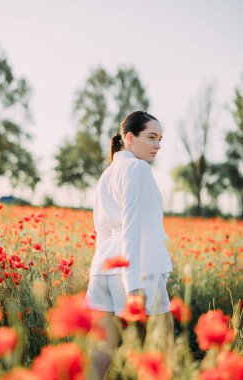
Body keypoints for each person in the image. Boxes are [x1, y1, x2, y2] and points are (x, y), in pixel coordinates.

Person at [85, 110, 174, 380]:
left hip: (103, 268)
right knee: (165, 344)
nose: (158, 145)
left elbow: (101, 230)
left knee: (101, 348)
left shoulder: (108, 173)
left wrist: (102, 270)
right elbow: (132, 226)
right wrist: (133, 284)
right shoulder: (137, 168)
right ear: (130, 138)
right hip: (137, 268)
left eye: (160, 139)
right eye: (151, 137)